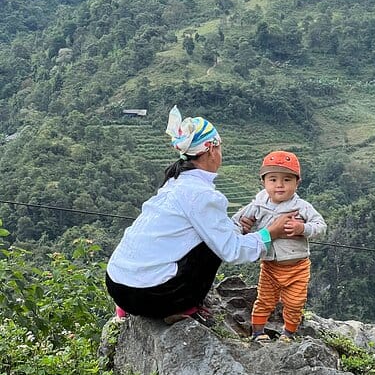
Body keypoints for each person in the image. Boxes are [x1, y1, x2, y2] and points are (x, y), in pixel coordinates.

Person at [105, 106, 296, 326]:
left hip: (117, 284)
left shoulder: (175, 182)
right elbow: (232, 251)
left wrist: (235, 227)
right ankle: (180, 307)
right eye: (220, 148)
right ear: (211, 150)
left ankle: (130, 308)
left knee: (211, 238)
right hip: (148, 296)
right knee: (211, 249)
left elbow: (205, 228)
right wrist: (270, 233)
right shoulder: (202, 195)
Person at [232, 150, 327, 342]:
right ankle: (258, 333)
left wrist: (303, 228)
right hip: (270, 266)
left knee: (295, 303)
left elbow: (321, 226)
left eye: (287, 179)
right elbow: (234, 222)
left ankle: (288, 334)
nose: (279, 185)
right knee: (265, 300)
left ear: (297, 183)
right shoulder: (257, 205)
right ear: (263, 182)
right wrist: (242, 228)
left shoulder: (302, 207)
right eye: (273, 179)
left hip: (298, 267)